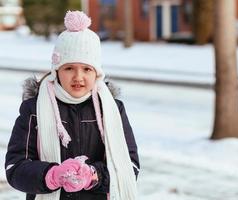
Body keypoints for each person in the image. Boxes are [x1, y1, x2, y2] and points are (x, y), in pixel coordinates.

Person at [5, 10, 139, 200]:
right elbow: (15, 168)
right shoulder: (33, 110)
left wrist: (93, 176)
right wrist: (51, 175)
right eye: (69, 68)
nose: (78, 77)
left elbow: (130, 166)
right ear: (57, 71)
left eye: (86, 69)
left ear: (97, 73)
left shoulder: (112, 110)